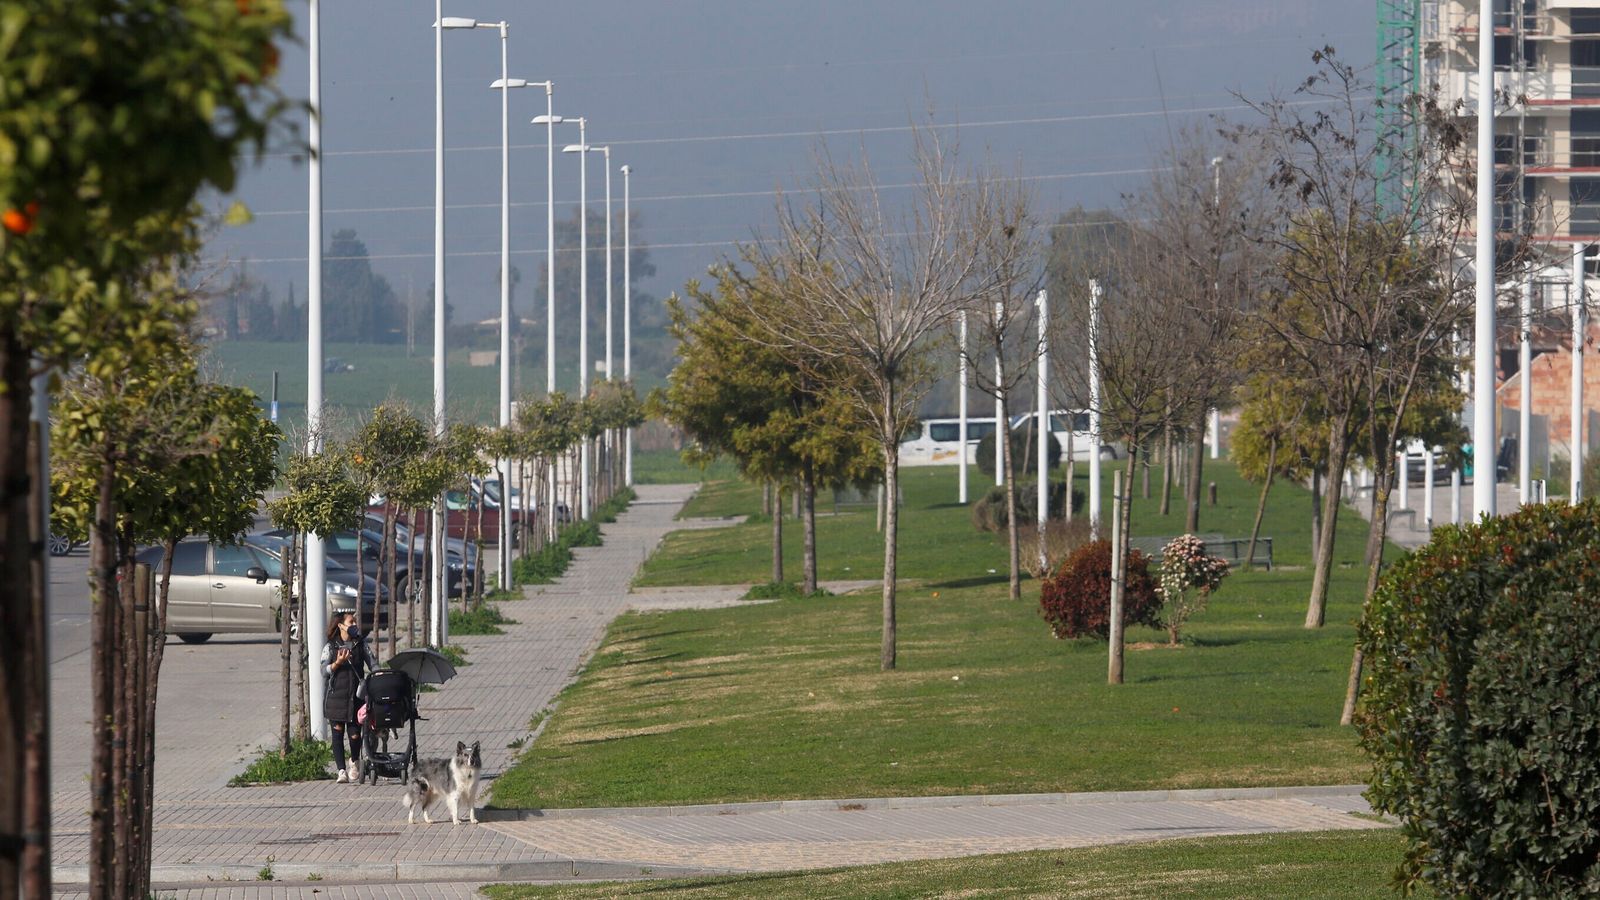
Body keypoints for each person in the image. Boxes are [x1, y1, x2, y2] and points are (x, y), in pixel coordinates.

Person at [320, 610, 371, 783]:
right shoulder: (330, 646)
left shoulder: (361, 644)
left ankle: (354, 761)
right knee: (337, 733)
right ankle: (341, 770)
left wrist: (379, 676)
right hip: (336, 697)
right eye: (351, 622)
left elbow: (374, 663)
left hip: (356, 697)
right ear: (341, 626)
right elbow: (323, 671)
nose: (354, 625)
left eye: (355, 622)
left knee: (355, 735)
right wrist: (337, 663)